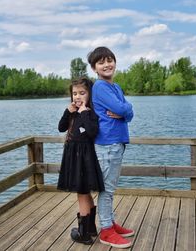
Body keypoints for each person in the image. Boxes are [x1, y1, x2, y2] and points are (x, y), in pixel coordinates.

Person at [87, 46, 134, 249]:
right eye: (101, 62)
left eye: (110, 60)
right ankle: (106, 230)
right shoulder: (100, 87)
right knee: (107, 188)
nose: (107, 65)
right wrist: (125, 110)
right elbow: (122, 108)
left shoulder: (115, 86)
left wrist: (126, 110)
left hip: (117, 143)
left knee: (110, 188)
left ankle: (111, 223)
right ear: (94, 68)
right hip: (107, 144)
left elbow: (128, 112)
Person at [57, 77, 105, 245]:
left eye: (82, 93)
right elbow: (61, 127)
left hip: (83, 160)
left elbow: (91, 132)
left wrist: (84, 112)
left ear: (89, 95)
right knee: (85, 193)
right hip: (74, 157)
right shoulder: (73, 112)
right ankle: (90, 228)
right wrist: (67, 111)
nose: (77, 97)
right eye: (74, 93)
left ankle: (84, 234)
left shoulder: (90, 113)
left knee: (82, 194)